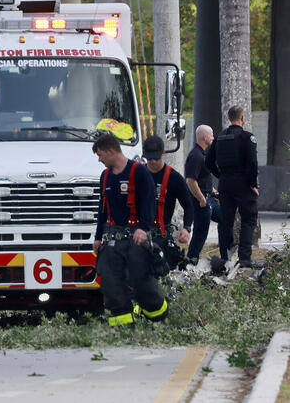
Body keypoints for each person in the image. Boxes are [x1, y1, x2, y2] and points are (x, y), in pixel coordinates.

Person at [92, 133, 168, 327]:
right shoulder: (106, 176)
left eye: (100, 155)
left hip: (135, 237)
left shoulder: (139, 172)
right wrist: (98, 237)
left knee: (141, 281)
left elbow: (150, 202)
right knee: (110, 283)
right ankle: (123, 328)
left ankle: (157, 318)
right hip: (111, 238)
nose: (99, 159)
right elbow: (103, 207)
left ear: (111, 151)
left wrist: (143, 228)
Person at [205, 106, 260, 269]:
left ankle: (226, 257)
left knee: (226, 221)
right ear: (242, 118)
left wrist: (221, 176)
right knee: (248, 219)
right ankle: (244, 258)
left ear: (229, 118)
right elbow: (252, 164)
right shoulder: (247, 137)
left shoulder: (220, 138)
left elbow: (208, 161)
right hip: (243, 183)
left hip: (225, 184)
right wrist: (253, 184)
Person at [142, 135, 193, 265]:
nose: (152, 161)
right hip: (139, 235)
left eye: (156, 158)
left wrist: (186, 228)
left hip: (161, 236)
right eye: (149, 158)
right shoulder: (138, 174)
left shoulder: (174, 178)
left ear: (163, 153)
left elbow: (188, 205)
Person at [185, 125, 221, 265]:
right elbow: (191, 180)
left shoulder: (204, 154)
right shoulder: (195, 156)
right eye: (211, 135)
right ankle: (190, 261)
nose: (213, 137)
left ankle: (226, 252)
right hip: (201, 202)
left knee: (225, 219)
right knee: (200, 233)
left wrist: (213, 191)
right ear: (204, 137)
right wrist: (201, 199)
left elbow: (203, 179)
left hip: (210, 199)